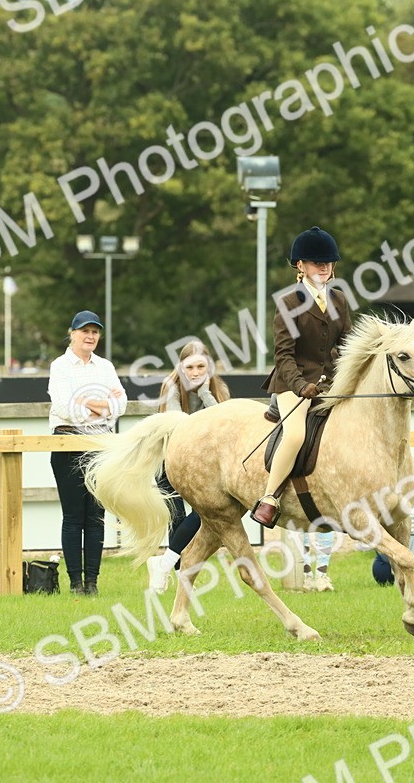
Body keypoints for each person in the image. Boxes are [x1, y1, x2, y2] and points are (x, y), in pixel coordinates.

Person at [252, 226, 353, 528]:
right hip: (292, 383)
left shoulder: (338, 300)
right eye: (315, 262)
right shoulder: (289, 302)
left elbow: (348, 346)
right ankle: (270, 497)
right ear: (300, 266)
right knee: (296, 434)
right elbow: (283, 355)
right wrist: (300, 386)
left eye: (327, 262)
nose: (323, 267)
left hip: (330, 385)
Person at [48, 310, 128, 595]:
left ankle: (92, 582)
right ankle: (75, 582)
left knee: (96, 515)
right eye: (85, 331)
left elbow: (121, 405)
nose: (90, 336)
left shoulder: (105, 367)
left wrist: (88, 404)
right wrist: (102, 406)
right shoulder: (60, 366)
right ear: (73, 333)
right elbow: (64, 408)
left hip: (100, 446)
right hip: (68, 444)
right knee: (73, 516)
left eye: (95, 332)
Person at [146, 341, 231, 593]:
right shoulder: (170, 387)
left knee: (204, 514)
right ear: (181, 367)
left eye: (201, 366)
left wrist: (205, 394)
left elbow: (226, 423)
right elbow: (181, 428)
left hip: (203, 466)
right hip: (169, 460)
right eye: (190, 367)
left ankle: (163, 565)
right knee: (177, 517)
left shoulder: (217, 388)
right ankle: (175, 573)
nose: (195, 372)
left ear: (209, 367)